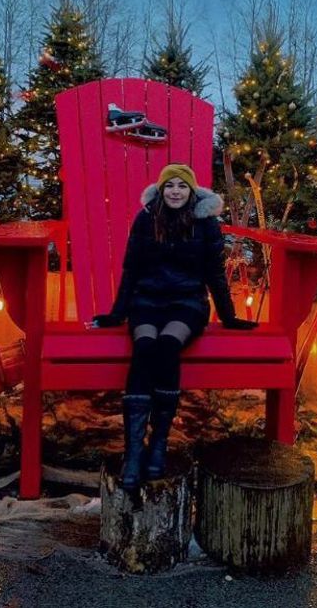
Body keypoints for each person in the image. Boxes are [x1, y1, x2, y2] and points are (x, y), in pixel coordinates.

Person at [91, 163, 258, 493]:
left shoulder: (206, 225)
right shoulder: (145, 220)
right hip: (147, 302)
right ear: (161, 190)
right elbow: (130, 270)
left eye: (182, 186)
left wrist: (229, 318)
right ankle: (134, 453)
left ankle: (159, 445)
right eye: (170, 186)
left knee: (168, 345)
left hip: (187, 303)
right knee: (144, 348)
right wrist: (115, 314)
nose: (176, 192)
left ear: (192, 191)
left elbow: (214, 274)